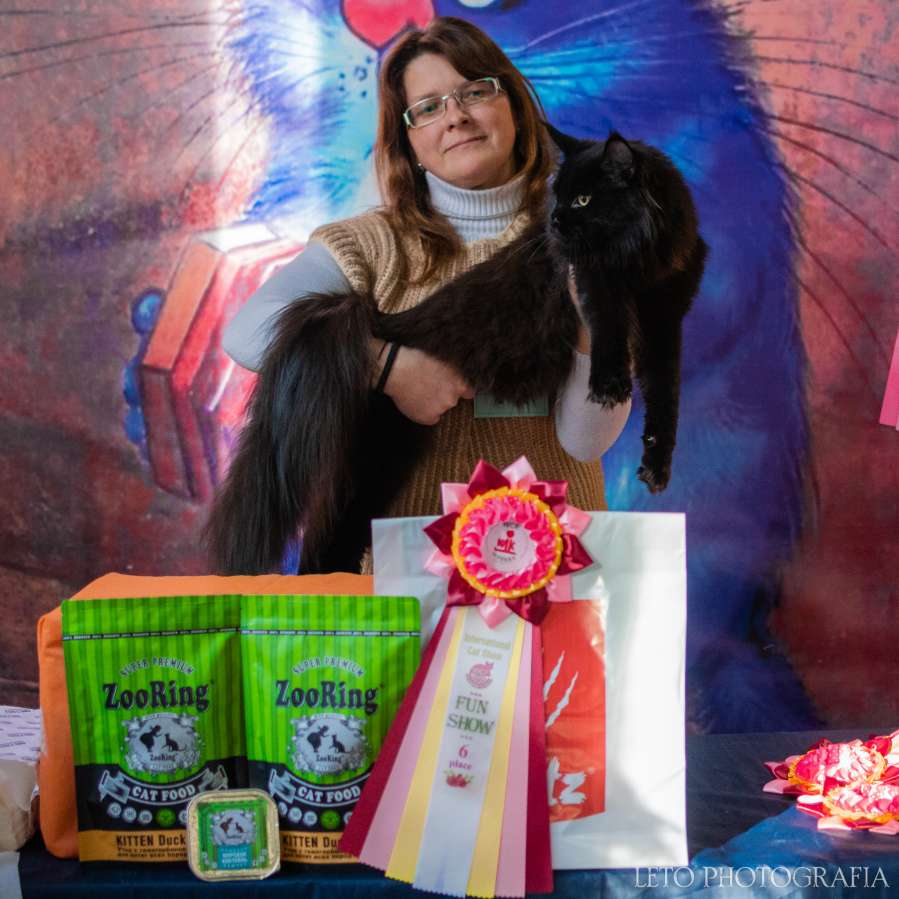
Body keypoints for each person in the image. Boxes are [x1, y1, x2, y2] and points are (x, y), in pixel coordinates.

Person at [222, 16, 630, 569]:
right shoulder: (370, 245)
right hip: (399, 570)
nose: (456, 115)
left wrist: (594, 332)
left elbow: (585, 442)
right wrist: (388, 367)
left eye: (475, 91)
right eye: (428, 108)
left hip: (551, 561)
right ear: (409, 142)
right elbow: (246, 333)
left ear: (513, 106)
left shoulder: (588, 233)